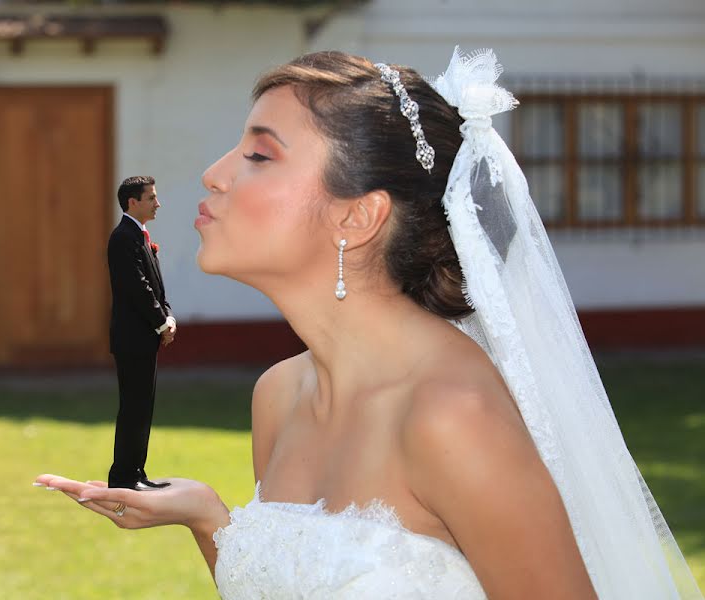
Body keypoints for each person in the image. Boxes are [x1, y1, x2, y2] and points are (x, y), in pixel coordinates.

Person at [37, 50, 703, 598]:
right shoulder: (279, 396)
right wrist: (210, 518)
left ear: (359, 217)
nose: (213, 176)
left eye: (259, 155)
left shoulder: (451, 415)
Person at [105, 175, 176, 491]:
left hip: (144, 337)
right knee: (133, 406)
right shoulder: (123, 238)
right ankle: (123, 476)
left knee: (142, 406)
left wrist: (167, 316)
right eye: (151, 198)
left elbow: (155, 286)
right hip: (132, 339)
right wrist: (161, 321)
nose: (157, 203)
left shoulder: (140, 235)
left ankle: (136, 471)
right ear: (133, 201)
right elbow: (137, 287)